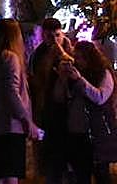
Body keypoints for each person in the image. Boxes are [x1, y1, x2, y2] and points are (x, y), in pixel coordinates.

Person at [0, 18, 40, 183]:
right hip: (11, 123)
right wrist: (26, 119)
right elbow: (12, 92)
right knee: (10, 173)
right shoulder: (10, 57)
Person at [54, 38, 115, 183]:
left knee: (101, 175)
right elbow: (59, 99)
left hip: (97, 134)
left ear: (89, 58)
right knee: (80, 175)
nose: (77, 61)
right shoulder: (74, 74)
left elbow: (100, 97)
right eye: (75, 57)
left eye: (80, 57)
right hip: (77, 133)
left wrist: (80, 80)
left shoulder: (103, 73)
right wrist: (62, 78)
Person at [29, 18, 69, 181]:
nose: (53, 39)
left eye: (57, 35)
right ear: (42, 35)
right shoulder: (37, 54)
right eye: (49, 36)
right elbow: (35, 81)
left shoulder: (68, 49)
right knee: (49, 153)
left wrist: (60, 52)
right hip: (45, 108)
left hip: (66, 109)